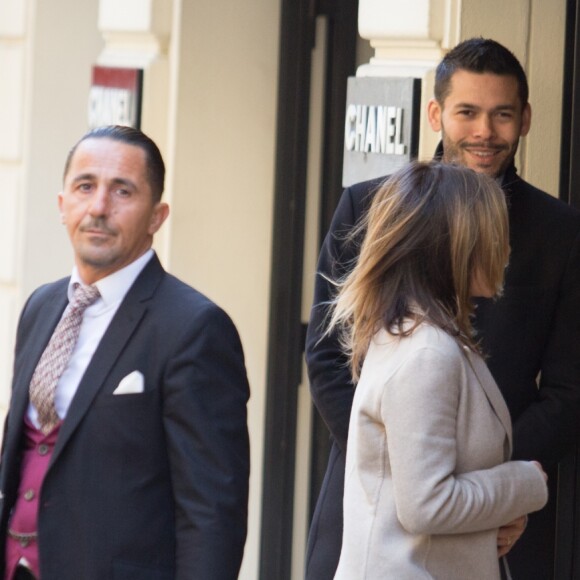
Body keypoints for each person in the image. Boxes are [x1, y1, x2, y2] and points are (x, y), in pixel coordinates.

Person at [305, 38, 580, 579]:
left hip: (504, 521)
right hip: (371, 505)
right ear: (435, 113)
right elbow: (327, 359)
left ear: (525, 119)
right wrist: (389, 466)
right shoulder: (368, 205)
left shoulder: (561, 232)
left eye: (501, 114)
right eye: (468, 113)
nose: (484, 131)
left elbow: (569, 391)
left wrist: (491, 489)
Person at [0, 125, 250, 580]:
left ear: (157, 216)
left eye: (122, 191)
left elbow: (212, 511)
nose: (98, 208)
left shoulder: (194, 328)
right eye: (85, 187)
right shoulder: (40, 306)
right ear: (62, 206)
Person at [329, 160, 548, 580]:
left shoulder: (415, 336)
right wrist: (524, 483)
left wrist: (502, 511)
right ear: (457, 247)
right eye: (494, 232)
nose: (505, 247)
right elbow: (428, 504)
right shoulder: (427, 352)